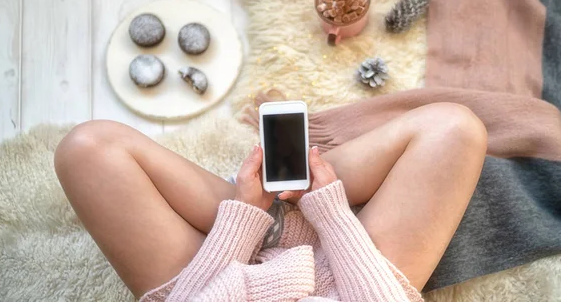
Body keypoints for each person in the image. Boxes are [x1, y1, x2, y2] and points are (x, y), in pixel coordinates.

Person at [54, 103, 487, 301]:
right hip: (351, 281)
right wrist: (332, 215)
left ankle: (270, 199)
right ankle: (300, 189)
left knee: (87, 148)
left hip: (203, 280)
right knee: (455, 128)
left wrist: (244, 218)